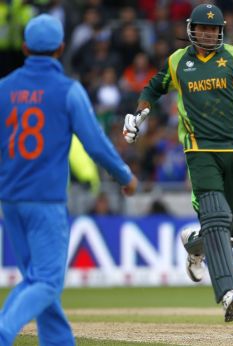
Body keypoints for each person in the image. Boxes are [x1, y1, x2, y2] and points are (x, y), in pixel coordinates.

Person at [122, 3, 233, 322]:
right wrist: (139, 115)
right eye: (202, 28)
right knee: (217, 216)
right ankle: (228, 292)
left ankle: (195, 245)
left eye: (213, 29)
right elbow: (152, 89)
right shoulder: (178, 61)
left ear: (221, 31)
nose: (208, 33)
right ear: (191, 30)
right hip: (200, 151)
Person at [0, 14, 138, 345]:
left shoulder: (3, 89)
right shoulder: (68, 91)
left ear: (24, 48)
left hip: (10, 199)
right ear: (61, 49)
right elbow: (96, 144)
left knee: (37, 280)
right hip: (45, 199)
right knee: (47, 282)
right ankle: (3, 331)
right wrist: (125, 175)